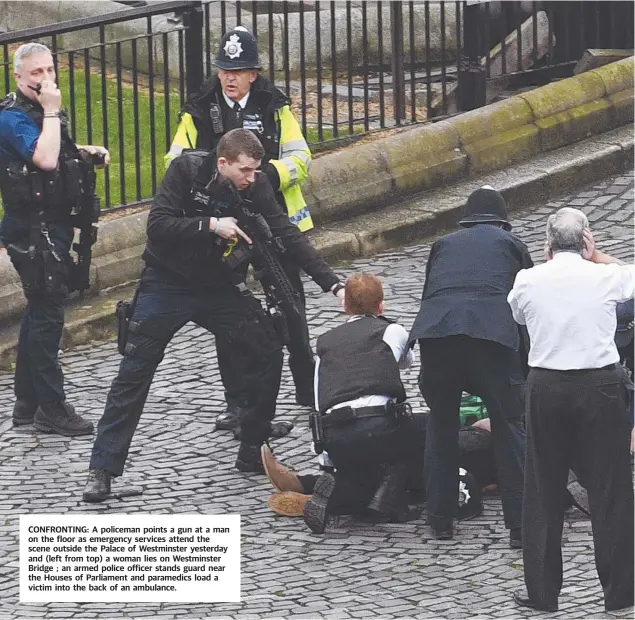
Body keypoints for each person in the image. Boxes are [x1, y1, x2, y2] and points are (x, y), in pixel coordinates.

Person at [82, 128, 344, 502]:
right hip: (166, 282)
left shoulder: (255, 185)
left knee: (269, 345)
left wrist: (333, 284)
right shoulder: (186, 171)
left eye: (255, 171)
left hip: (218, 285)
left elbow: (287, 233)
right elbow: (157, 225)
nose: (251, 179)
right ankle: (101, 471)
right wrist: (210, 224)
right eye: (245, 171)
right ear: (223, 163)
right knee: (134, 372)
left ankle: (253, 448)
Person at [167, 27, 316, 429]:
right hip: (223, 231)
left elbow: (301, 157)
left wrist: (265, 175)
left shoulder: (273, 104)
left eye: (238, 70)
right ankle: (237, 403)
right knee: (227, 317)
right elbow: (176, 162)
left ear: (254, 73)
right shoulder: (198, 107)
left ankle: (308, 389)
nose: (229, 78)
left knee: (291, 305)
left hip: (270, 221)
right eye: (224, 70)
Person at [508, 207, 634, 614]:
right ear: (585, 241)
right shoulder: (604, 275)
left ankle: (543, 593)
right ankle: (621, 593)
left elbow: (518, 314)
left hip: (546, 385)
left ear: (546, 245)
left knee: (543, 487)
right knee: (610, 488)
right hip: (601, 385)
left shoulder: (527, 280)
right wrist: (598, 257)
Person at [408, 186, 532, 546]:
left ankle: (440, 518)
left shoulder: (443, 245)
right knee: (510, 426)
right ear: (502, 222)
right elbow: (527, 307)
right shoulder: (512, 245)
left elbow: (431, 293)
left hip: (439, 335)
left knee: (441, 425)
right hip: (491, 337)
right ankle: (521, 525)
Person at [0, 43, 109, 436]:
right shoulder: (13, 118)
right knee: (48, 316)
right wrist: (50, 109)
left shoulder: (41, 111)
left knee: (39, 311)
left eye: (49, 70)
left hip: (53, 226)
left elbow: (56, 152)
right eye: (36, 73)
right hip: (33, 231)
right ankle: (51, 407)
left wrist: (83, 152)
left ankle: (27, 404)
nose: (46, 79)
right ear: (18, 77)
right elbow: (42, 159)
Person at [289, 273, 432, 534]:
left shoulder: (325, 343)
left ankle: (333, 493)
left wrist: (326, 463)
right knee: (429, 428)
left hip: (335, 434)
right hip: (379, 426)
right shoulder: (391, 330)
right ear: (381, 305)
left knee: (359, 473)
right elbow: (407, 362)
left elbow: (320, 400)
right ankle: (393, 496)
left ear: (345, 306)